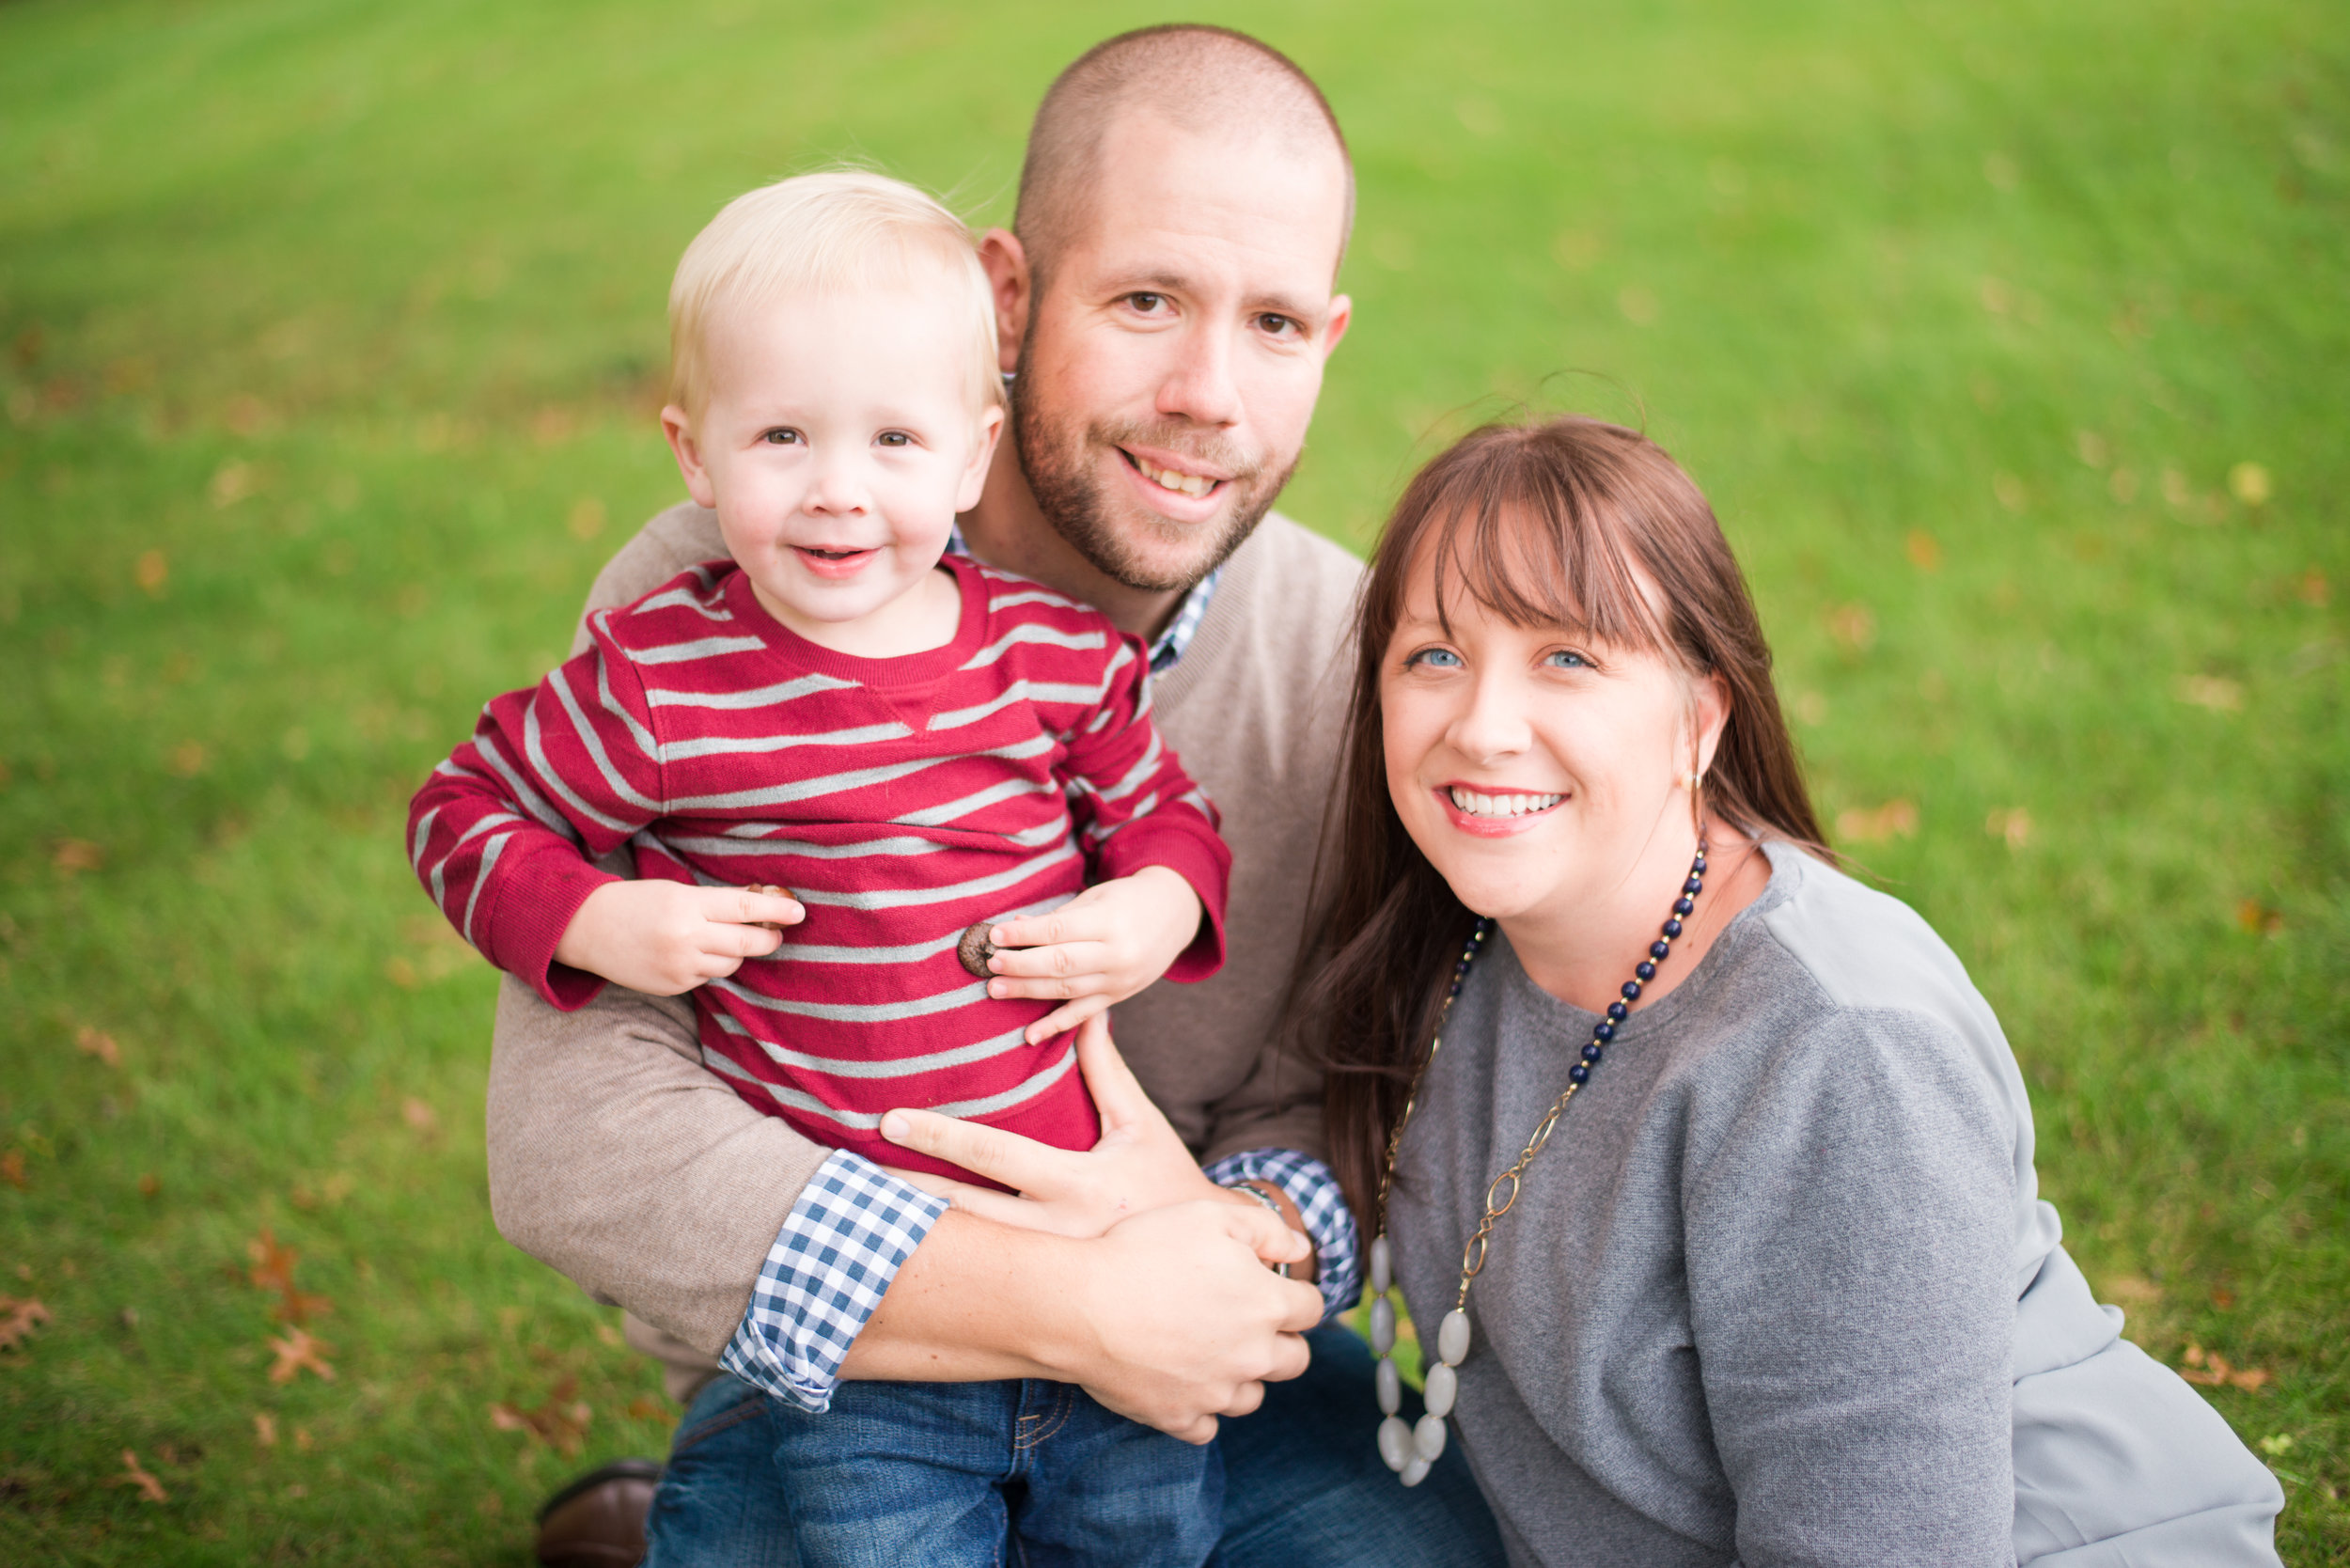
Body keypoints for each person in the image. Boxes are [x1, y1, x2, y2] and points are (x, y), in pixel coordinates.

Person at [489, 25, 1507, 1568]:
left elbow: (1353, 1095)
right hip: (864, 1357)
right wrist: (1075, 1297)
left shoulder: (1356, 656)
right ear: (1011, 297)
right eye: (1149, 299)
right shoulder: (719, 594)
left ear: (1332, 335)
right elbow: (580, 1139)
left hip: (1198, 1357)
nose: (1208, 395)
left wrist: (1221, 1253)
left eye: (1278, 321)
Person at [409, 171, 1249, 1564]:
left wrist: (1154, 906)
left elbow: (1170, 814)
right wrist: (603, 915)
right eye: (784, 435)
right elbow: (462, 811)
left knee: (1146, 1541)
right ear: (694, 451)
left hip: (1098, 1263)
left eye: (895, 439)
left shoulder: (1047, 658)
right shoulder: (666, 680)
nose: (839, 492)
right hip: (881, 1335)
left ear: (974, 453)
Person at [1296, 414, 2286, 1565]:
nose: (1481, 725)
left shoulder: (1835, 1056)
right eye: (1435, 655)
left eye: (1566, 657)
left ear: (1698, 721)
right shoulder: (1463, 936)